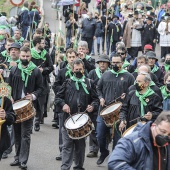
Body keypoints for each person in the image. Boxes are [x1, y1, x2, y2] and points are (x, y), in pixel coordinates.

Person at [55, 59, 99, 170]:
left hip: (82, 121)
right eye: (76, 69)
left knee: (80, 146)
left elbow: (96, 99)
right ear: (72, 70)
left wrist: (92, 106)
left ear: (84, 70)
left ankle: (79, 167)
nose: (78, 71)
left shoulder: (89, 83)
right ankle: (65, 167)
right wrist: (63, 104)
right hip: (68, 119)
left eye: (80, 69)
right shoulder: (67, 82)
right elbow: (58, 98)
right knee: (67, 146)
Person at [96, 53, 135, 165]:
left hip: (120, 113)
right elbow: (98, 88)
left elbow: (133, 92)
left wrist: (127, 95)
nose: (115, 64)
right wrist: (101, 97)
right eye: (113, 62)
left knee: (118, 138)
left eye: (117, 62)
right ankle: (104, 152)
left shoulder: (129, 76)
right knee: (99, 134)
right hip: (104, 110)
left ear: (122, 63)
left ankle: (114, 160)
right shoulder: (106, 75)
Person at [8, 46, 43, 169]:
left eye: (27, 56)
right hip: (15, 107)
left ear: (30, 56)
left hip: (28, 107)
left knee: (25, 135)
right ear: (20, 56)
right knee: (17, 134)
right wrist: (10, 97)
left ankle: (23, 160)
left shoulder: (36, 71)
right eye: (23, 56)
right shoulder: (14, 69)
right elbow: (9, 86)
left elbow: (40, 88)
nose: (25, 58)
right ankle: (17, 158)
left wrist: (33, 95)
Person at [53, 48, 78, 161]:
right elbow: (55, 85)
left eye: (73, 57)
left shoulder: (79, 70)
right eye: (70, 57)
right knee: (63, 129)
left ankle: (73, 152)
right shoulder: (62, 71)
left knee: (75, 128)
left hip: (76, 105)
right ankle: (62, 151)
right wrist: (64, 92)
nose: (72, 59)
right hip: (63, 104)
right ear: (67, 58)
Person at [87, 54, 110, 158]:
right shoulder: (92, 73)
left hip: (107, 103)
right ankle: (93, 149)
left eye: (104, 62)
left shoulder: (110, 74)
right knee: (93, 127)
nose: (102, 64)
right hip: (94, 102)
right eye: (100, 62)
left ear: (108, 64)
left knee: (105, 129)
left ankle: (104, 147)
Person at [31, 36, 53, 130]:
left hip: (43, 82)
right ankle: (31, 120)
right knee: (32, 102)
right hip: (32, 82)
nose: (44, 44)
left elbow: (51, 67)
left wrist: (43, 70)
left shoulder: (46, 54)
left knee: (41, 103)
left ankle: (37, 120)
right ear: (37, 44)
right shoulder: (30, 54)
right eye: (42, 43)